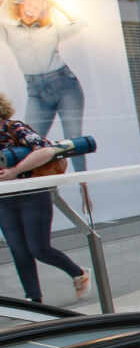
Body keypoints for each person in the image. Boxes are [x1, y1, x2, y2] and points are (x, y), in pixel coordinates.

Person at [0, 92, 89, 303]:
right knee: (18, 250)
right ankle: (34, 299)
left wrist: (15, 171)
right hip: (4, 199)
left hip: (32, 194)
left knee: (38, 248)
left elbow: (47, 151)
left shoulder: (14, 128)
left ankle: (79, 273)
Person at [0, 0, 90, 170]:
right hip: (36, 91)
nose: (32, 10)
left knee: (73, 141)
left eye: (37, 7)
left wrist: (53, 1)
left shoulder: (52, 29)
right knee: (27, 145)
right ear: (20, 6)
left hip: (65, 84)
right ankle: (44, 187)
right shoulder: (10, 30)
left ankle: (84, 188)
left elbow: (80, 22)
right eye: (29, 5)